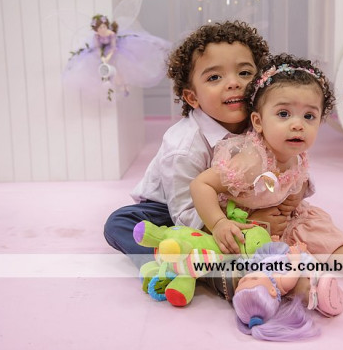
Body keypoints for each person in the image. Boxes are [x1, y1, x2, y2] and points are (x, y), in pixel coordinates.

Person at [190, 53, 343, 296]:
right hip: (244, 226)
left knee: (318, 230)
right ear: (258, 122)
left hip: (282, 220)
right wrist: (219, 223)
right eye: (283, 114)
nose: (298, 125)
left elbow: (296, 180)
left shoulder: (297, 154)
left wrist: (295, 197)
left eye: (309, 116)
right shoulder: (252, 160)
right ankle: (310, 290)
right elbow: (201, 185)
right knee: (264, 262)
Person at [103, 21, 305, 273]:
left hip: (236, 203)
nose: (234, 83)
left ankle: (231, 254)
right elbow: (184, 214)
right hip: (172, 210)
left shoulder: (263, 124)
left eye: (245, 73)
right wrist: (247, 222)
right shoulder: (184, 146)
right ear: (192, 97)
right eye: (214, 77)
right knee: (120, 223)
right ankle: (182, 265)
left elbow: (290, 162)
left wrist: (288, 199)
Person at [233, 240, 341, 341]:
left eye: (241, 282)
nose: (246, 277)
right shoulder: (280, 282)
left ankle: (320, 289)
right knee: (311, 269)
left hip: (279, 255)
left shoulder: (256, 271)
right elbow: (295, 272)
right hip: (297, 263)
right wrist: (296, 259)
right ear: (272, 291)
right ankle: (318, 293)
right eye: (253, 279)